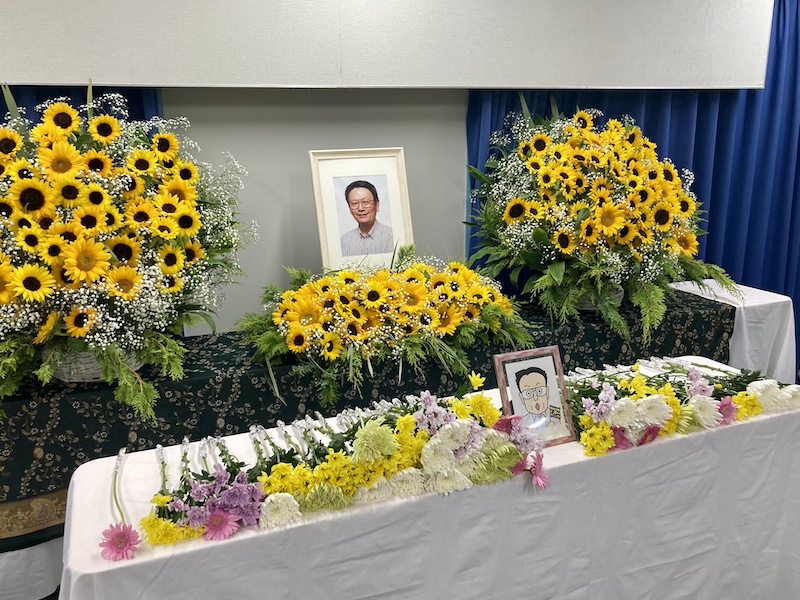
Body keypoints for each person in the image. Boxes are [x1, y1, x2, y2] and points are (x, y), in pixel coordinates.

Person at [340, 180, 394, 256]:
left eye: (365, 202)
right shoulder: (344, 241)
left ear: (377, 205)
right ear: (350, 208)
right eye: (355, 203)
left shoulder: (391, 236)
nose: (361, 208)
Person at [515, 366, 556, 432]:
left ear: (547, 392)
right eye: (528, 393)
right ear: (522, 398)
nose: (535, 398)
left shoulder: (557, 414)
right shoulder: (521, 423)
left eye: (539, 391)